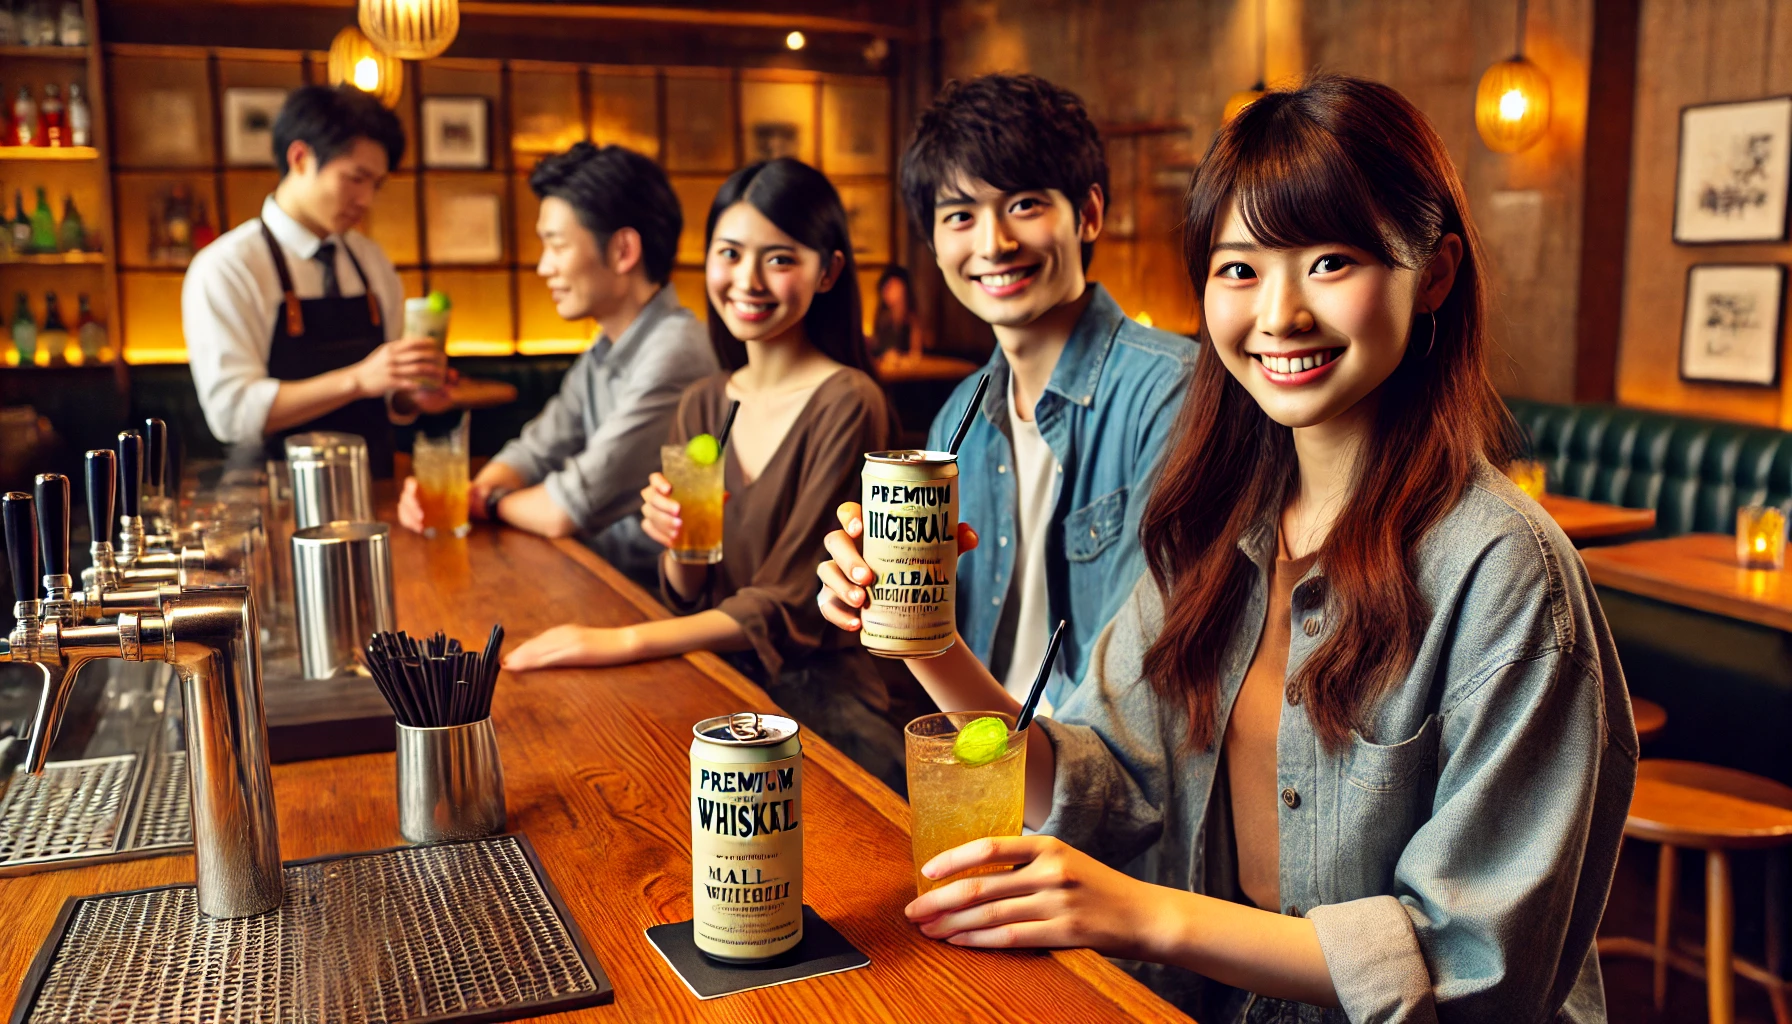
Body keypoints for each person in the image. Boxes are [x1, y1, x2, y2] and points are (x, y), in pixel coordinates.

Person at [818, 75, 1636, 1021]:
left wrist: (1143, 916)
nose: (1279, 313)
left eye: (1330, 262)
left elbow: (1478, 959)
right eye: (1240, 269)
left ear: (1436, 272)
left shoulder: (1501, 571)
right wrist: (925, 641)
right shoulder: (1217, 523)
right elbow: (1097, 777)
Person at [505, 158, 904, 791]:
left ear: (828, 272)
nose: (748, 280)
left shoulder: (848, 400)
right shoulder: (704, 402)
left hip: (822, 704)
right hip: (717, 681)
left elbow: (794, 600)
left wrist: (623, 641)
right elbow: (688, 588)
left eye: (779, 258)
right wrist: (679, 543)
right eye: (730, 253)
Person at [899, 74, 1196, 715]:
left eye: (1025, 204)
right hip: (976, 769)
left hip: (1092, 791)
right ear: (933, 242)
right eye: (959, 216)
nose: (992, 244)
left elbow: (1142, 685)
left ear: (1088, 214)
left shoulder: (1172, 392)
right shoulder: (958, 419)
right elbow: (936, 644)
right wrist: (881, 596)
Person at [396, 143, 714, 579]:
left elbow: (566, 508)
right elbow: (535, 450)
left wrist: (481, 501)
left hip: (653, 601)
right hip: (597, 576)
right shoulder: (604, 350)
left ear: (623, 250)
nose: (544, 267)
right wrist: (470, 493)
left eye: (557, 245)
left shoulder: (676, 353)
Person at [183, 85, 447, 476]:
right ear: (301, 158)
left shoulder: (370, 261)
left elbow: (388, 394)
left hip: (373, 487)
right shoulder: (228, 267)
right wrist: (357, 380)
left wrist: (414, 394)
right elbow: (233, 413)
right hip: (272, 495)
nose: (366, 200)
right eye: (356, 178)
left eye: (376, 185)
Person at [869, 264, 923, 362]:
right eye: (886, 288)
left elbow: (916, 354)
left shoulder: (911, 320)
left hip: (907, 372)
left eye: (892, 287)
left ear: (904, 289)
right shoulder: (883, 319)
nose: (886, 292)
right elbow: (879, 349)